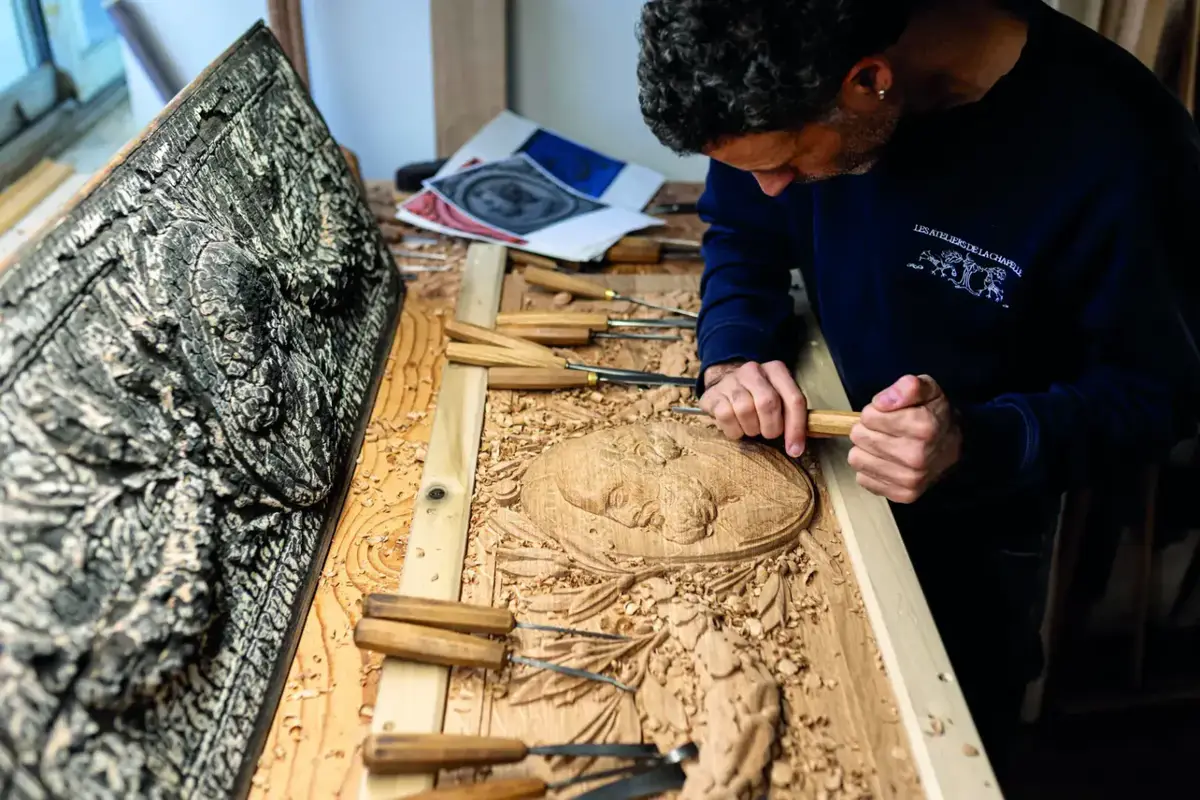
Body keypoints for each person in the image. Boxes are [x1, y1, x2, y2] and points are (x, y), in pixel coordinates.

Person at [636, 0, 1200, 775]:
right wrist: (734, 350)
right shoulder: (770, 73)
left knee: (938, 754)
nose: (772, 187)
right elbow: (743, 231)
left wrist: (981, 440)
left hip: (981, 522)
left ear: (869, 80)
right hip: (816, 476)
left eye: (787, 165)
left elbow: (1156, 394)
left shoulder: (1123, 145)